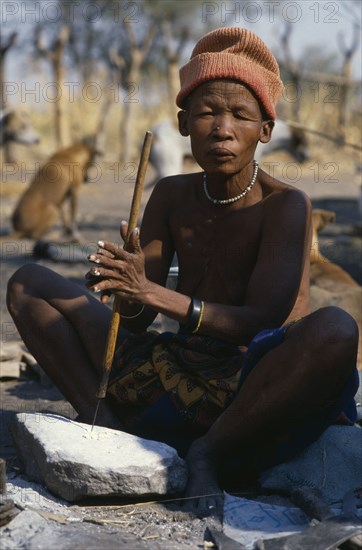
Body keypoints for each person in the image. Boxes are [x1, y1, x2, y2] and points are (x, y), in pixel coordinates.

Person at [7, 27, 359, 515]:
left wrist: (152, 293)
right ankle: (106, 422)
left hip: (251, 384)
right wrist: (122, 284)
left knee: (337, 330)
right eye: (208, 112)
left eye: (240, 114)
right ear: (182, 122)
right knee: (29, 283)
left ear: (266, 130)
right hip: (170, 366)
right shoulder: (171, 194)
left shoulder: (286, 206)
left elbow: (262, 320)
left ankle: (208, 452)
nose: (222, 128)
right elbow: (134, 321)